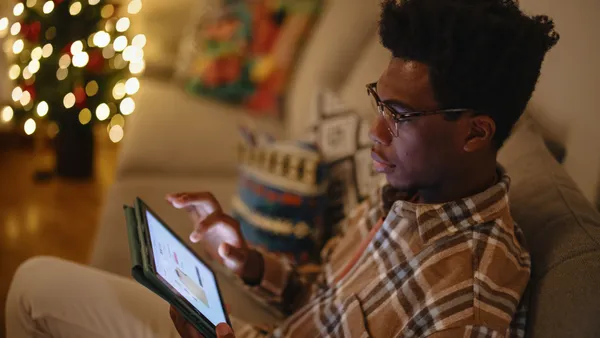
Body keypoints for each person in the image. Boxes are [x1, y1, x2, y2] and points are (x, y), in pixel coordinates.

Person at [5, 0, 559, 337]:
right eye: (378, 102)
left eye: (401, 116)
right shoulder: (408, 189)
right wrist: (246, 262)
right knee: (36, 282)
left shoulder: (470, 299)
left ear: (476, 133)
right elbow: (321, 298)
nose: (375, 131)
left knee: (33, 291)